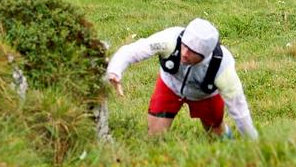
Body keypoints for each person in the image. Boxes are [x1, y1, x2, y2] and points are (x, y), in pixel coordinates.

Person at [106, 18, 259, 140]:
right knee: (155, 135)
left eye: (193, 52)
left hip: (205, 95)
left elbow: (239, 109)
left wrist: (253, 143)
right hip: (170, 86)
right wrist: (114, 71)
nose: (184, 53)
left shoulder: (223, 68)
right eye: (184, 46)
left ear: (205, 54)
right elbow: (133, 51)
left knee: (216, 133)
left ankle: (228, 141)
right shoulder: (169, 39)